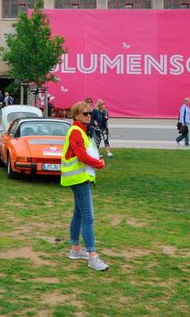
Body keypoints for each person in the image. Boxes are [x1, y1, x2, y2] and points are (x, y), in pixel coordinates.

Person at [62, 100, 108, 272]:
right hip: (79, 179)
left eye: (90, 113)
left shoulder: (82, 130)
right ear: (76, 115)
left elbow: (85, 152)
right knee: (88, 218)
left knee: (79, 214)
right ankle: (92, 256)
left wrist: (96, 160)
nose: (89, 116)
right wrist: (99, 164)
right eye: (85, 113)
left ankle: (75, 249)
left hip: (80, 178)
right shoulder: (76, 131)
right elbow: (81, 156)